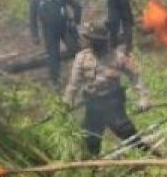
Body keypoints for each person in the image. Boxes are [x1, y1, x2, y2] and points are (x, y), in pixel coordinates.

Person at [63, 24, 153, 157]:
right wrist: (66, 102)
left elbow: (135, 76)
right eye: (90, 40)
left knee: (125, 130)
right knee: (90, 138)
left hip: (113, 101)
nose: (93, 43)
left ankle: (148, 154)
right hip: (93, 103)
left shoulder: (118, 57)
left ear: (104, 41)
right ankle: (92, 166)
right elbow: (73, 84)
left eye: (96, 41)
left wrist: (144, 97)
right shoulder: (81, 58)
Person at [28, 0, 82, 88]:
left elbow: (77, 5)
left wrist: (75, 21)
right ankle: (55, 82)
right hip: (48, 30)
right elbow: (32, 17)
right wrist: (35, 35)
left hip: (65, 26)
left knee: (76, 50)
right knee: (53, 56)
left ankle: (83, 74)